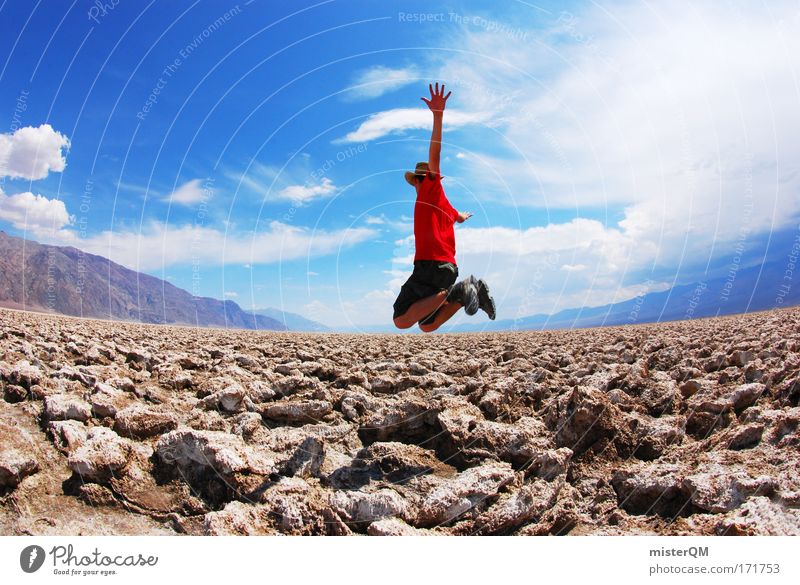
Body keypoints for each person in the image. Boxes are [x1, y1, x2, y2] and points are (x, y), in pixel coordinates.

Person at [392, 82, 496, 332]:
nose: (416, 184)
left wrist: (438, 116)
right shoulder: (444, 204)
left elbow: (435, 154)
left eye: (416, 180)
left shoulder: (430, 187)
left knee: (401, 318)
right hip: (442, 267)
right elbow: (457, 217)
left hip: (432, 266)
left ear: (419, 179)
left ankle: (461, 288)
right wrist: (461, 215)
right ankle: (465, 293)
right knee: (426, 325)